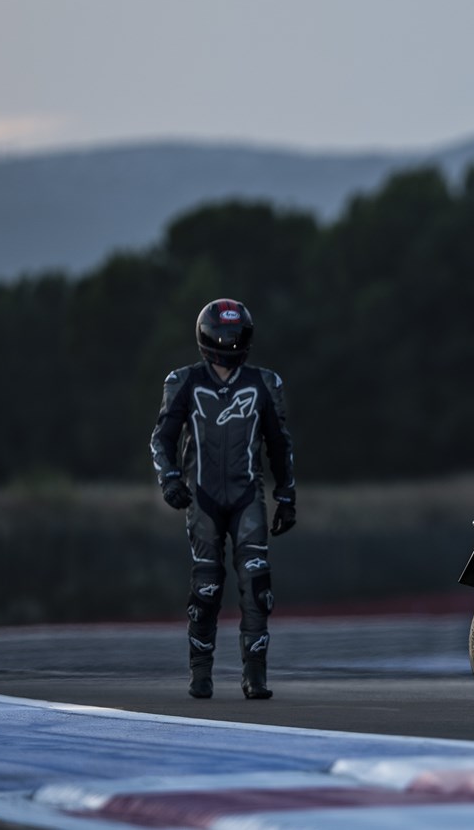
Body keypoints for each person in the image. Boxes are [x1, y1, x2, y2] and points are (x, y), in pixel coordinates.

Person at [149, 298, 297, 699]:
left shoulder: (264, 383)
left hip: (248, 495)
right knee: (207, 586)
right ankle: (200, 672)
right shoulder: (183, 382)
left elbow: (279, 444)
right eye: (224, 336)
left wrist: (286, 496)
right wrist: (170, 480)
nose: (230, 343)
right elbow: (161, 439)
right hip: (203, 498)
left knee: (257, 584)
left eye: (237, 336)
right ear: (207, 337)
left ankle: (255, 675)